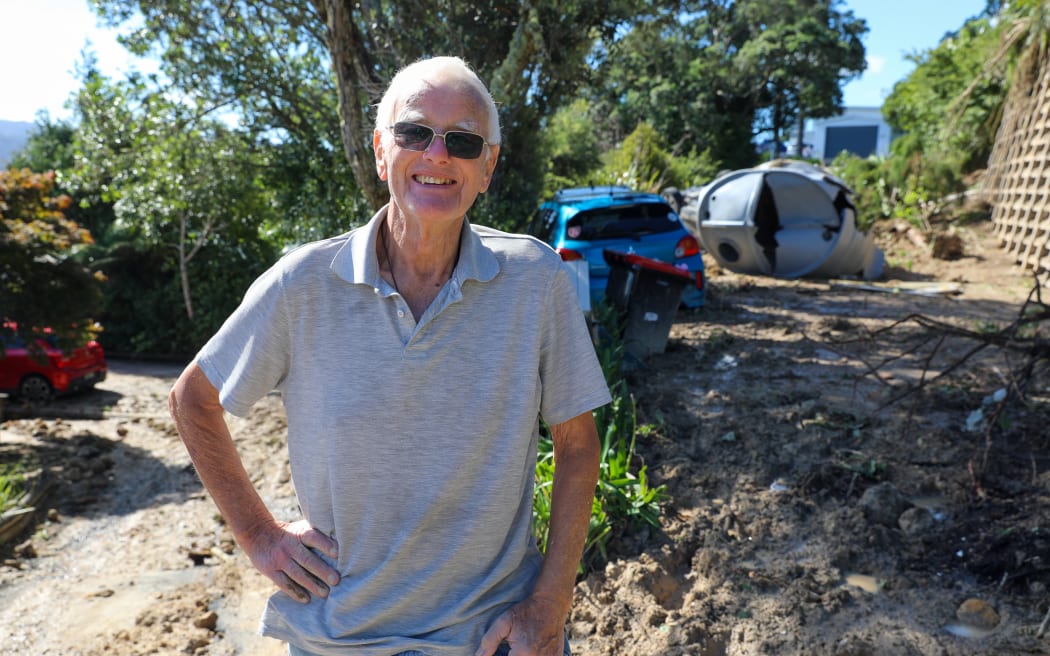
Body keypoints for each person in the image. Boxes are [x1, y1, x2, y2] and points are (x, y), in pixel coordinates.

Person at [168, 55, 611, 656]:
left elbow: (578, 446)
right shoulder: (303, 284)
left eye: (462, 140)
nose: (437, 154)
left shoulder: (535, 281)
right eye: (413, 132)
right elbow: (194, 399)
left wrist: (551, 605)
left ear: (488, 167)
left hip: (493, 635)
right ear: (381, 151)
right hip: (341, 637)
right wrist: (257, 533)